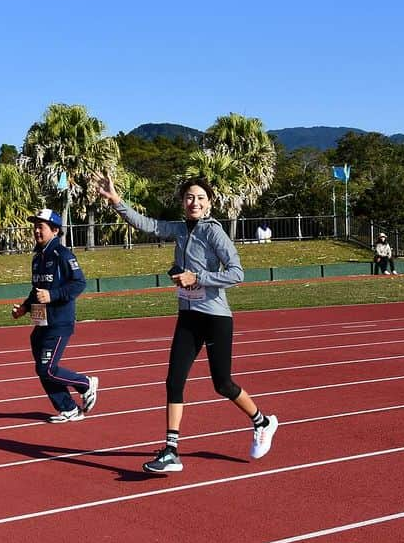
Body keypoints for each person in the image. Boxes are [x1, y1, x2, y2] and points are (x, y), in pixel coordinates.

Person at [96, 174, 277, 473]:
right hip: (188, 315)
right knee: (173, 381)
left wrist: (199, 277)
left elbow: (237, 273)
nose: (195, 202)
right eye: (190, 197)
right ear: (183, 202)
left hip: (216, 317)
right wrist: (117, 201)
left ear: (209, 204)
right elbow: (148, 224)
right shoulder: (179, 230)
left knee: (222, 383)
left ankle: (262, 421)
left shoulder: (215, 233)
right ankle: (171, 451)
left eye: (201, 198)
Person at [11, 208, 99, 423]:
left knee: (47, 368)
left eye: (40, 227)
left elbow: (79, 283)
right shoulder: (37, 258)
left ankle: (85, 383)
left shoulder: (63, 255)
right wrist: (24, 308)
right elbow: (37, 290)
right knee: (43, 369)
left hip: (59, 321)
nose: (36, 231)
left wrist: (53, 295)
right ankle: (68, 409)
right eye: (35, 227)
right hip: (41, 320)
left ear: (55, 230)